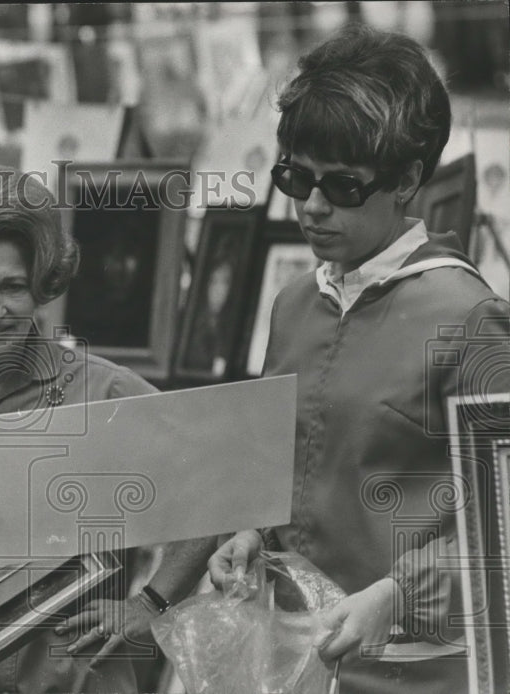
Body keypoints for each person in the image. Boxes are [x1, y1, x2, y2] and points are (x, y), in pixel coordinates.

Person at [207, 25, 510, 694]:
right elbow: (284, 465)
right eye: (295, 176)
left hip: (415, 672)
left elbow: (507, 525)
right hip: (291, 663)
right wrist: (251, 530)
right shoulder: (293, 301)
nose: (311, 206)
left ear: (407, 179)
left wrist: (400, 594)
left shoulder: (468, 317)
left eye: (343, 187)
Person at [0, 166, 214, 693]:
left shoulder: (110, 393)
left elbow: (210, 490)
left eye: (13, 286)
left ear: (42, 283)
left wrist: (150, 604)